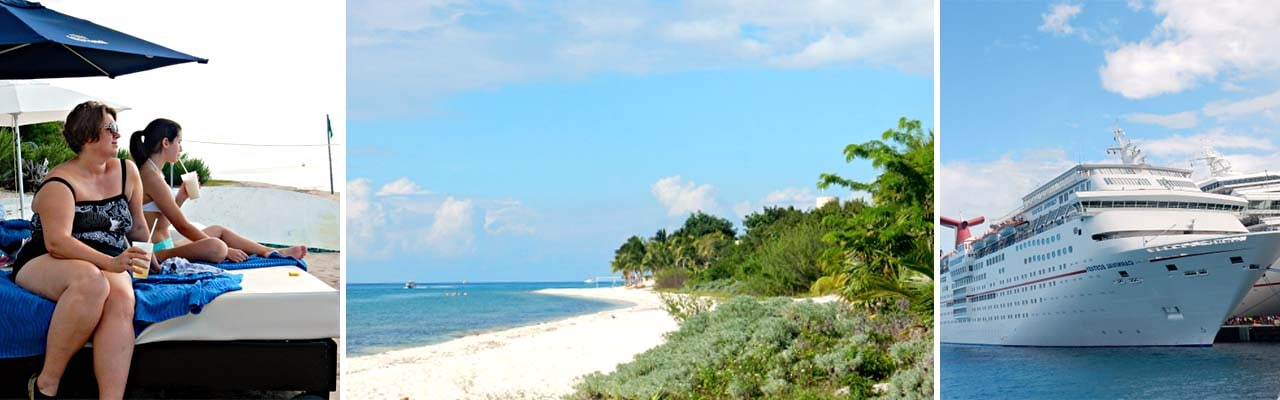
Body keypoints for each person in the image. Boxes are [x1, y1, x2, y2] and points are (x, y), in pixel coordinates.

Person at [12, 101, 151, 399]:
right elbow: (57, 242)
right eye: (110, 128)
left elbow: (138, 227)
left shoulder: (127, 171)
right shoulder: (60, 182)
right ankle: (45, 384)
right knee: (91, 282)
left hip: (108, 257)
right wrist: (110, 263)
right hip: (48, 257)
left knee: (121, 298)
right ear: (88, 135)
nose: (118, 134)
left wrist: (150, 256)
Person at [129, 118, 307, 264]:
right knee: (218, 247)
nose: (181, 149)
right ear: (166, 142)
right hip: (155, 253)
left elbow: (160, 221)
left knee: (218, 230)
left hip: (165, 245)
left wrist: (181, 197)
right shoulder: (150, 176)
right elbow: (182, 226)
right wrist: (227, 250)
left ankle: (270, 252)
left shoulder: (155, 173)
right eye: (179, 142)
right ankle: (257, 251)